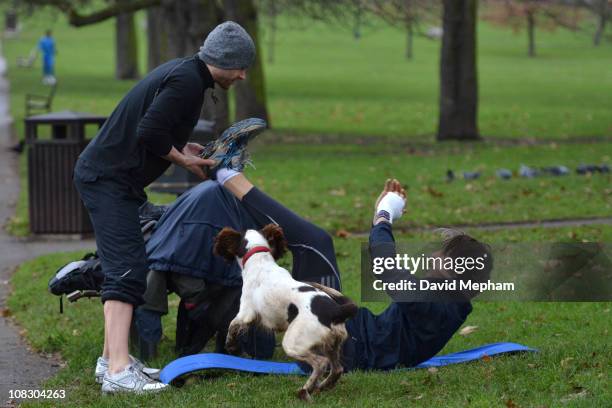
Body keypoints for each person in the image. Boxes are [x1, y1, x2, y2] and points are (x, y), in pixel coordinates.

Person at [123, 170, 492, 373]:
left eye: (439, 257)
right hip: (355, 339)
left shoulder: (433, 301)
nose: (431, 258)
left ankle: (229, 177)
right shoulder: (452, 305)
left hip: (345, 347)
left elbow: (385, 269)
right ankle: (230, 179)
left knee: (315, 243)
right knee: (310, 256)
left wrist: (383, 217)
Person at [74, 21, 259, 394]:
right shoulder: (188, 82)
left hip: (114, 180)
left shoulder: (187, 74)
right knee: (126, 270)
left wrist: (184, 146)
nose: (242, 74)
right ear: (221, 60)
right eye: (239, 65)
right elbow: (149, 132)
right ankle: (118, 373)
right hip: (108, 181)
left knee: (126, 267)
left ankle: (112, 361)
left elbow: (158, 127)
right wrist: (182, 159)